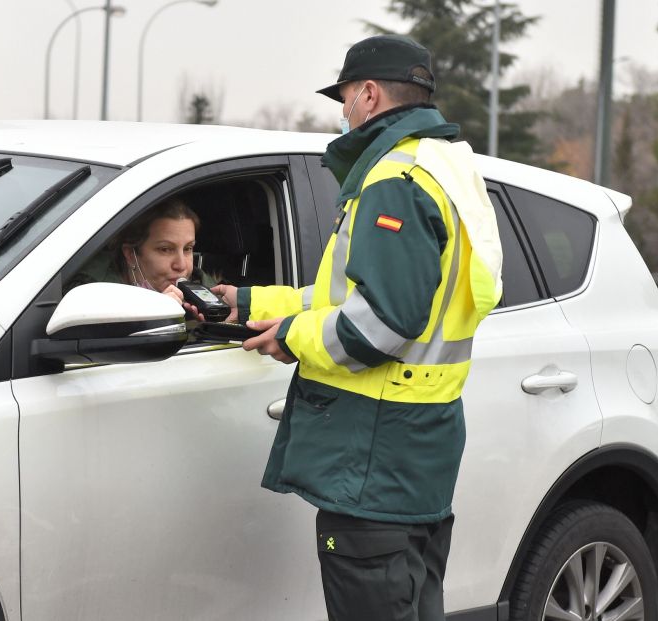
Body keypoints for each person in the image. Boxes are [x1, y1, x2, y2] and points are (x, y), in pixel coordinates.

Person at [213, 35, 503, 621]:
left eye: (345, 97)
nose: (343, 112)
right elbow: (343, 297)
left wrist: (290, 337)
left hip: (374, 455)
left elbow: (379, 325)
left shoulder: (395, 178)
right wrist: (244, 302)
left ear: (369, 94)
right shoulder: (446, 165)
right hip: (415, 452)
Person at [68, 198, 218, 318]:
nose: (181, 265)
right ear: (130, 255)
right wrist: (153, 317)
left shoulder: (210, 293)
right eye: (165, 249)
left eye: (188, 248)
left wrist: (221, 318)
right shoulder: (91, 297)